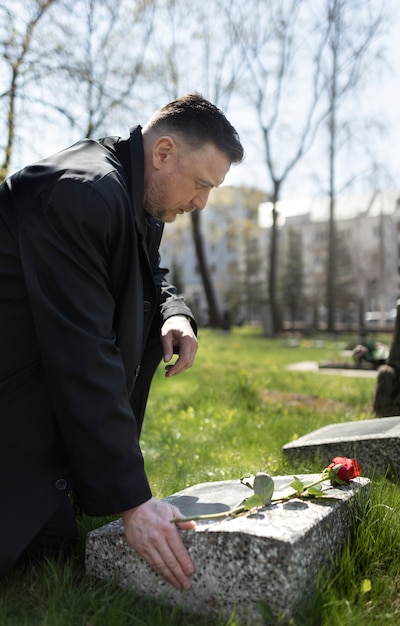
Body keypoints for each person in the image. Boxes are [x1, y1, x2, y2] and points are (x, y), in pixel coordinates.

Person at [0, 93, 244, 589]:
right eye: (201, 185)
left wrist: (175, 314)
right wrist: (133, 501)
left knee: (61, 538)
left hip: (35, 388)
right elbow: (82, 353)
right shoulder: (85, 193)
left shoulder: (134, 193)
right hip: (14, 394)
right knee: (45, 545)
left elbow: (149, 275)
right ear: (164, 153)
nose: (201, 203)